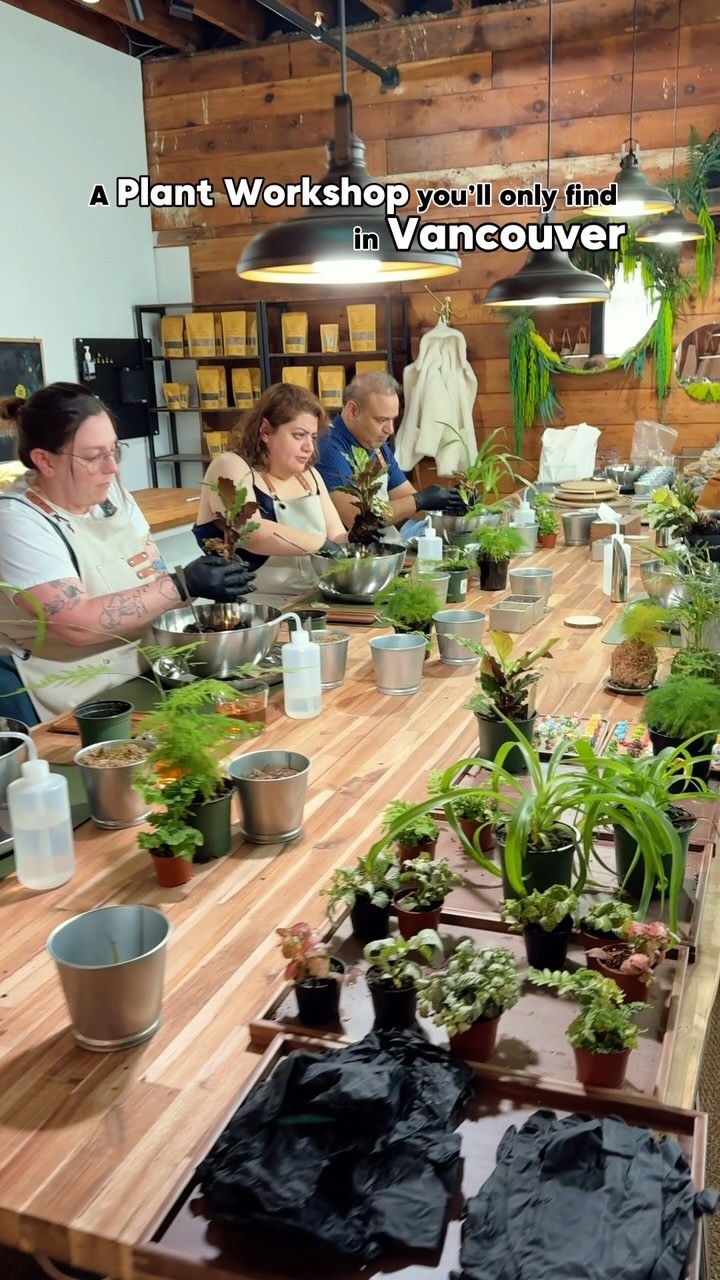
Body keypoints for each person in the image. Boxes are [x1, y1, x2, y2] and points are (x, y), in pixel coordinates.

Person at [0, 384, 254, 725]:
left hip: (143, 667)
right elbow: (76, 625)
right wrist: (181, 585)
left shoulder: (112, 497)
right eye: (93, 457)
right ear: (44, 460)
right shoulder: (18, 520)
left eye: (114, 451)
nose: (112, 469)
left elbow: (151, 573)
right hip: (67, 694)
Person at [193, 383, 347, 607]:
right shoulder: (231, 466)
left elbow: (337, 537)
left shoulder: (310, 476)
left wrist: (359, 543)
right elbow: (251, 533)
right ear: (265, 431)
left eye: (312, 437)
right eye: (298, 435)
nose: (309, 447)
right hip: (251, 612)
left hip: (314, 603)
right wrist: (320, 544)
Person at [314, 371, 470, 537]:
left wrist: (450, 502)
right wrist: (420, 500)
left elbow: (410, 504)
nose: (390, 429)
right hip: (348, 556)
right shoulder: (327, 445)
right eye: (381, 420)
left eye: (392, 419)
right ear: (353, 411)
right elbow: (359, 520)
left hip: (382, 549)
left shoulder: (376, 446)